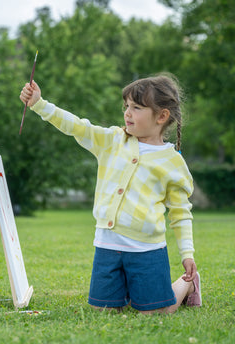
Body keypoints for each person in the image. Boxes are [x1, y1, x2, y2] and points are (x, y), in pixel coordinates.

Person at [19, 74, 202, 314]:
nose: (127, 112)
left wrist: (187, 253)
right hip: (107, 245)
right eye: (126, 106)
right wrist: (39, 104)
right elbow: (77, 126)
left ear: (161, 116)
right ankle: (127, 290)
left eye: (136, 107)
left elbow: (180, 213)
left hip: (146, 250)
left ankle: (187, 285)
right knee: (103, 311)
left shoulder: (172, 162)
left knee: (156, 313)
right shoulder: (113, 140)